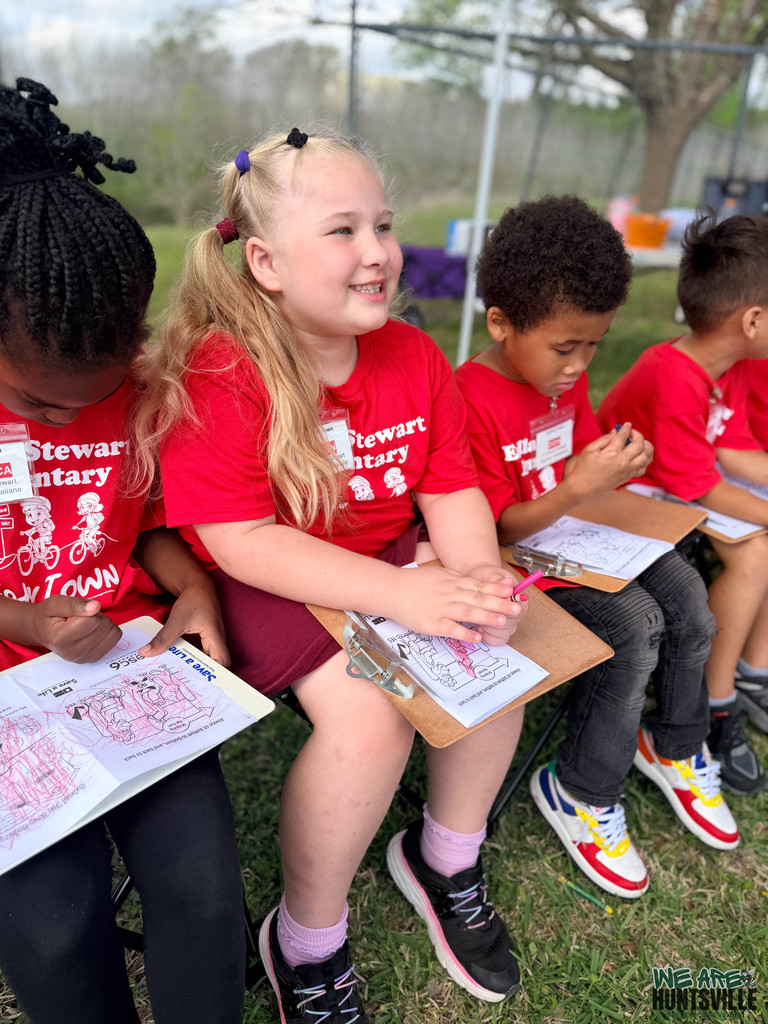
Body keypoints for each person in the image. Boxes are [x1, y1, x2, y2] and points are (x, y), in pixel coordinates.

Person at [138, 125, 527, 1021]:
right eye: (343, 231)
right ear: (266, 262)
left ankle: (445, 859)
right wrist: (402, 593)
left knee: (492, 656)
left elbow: (451, 486)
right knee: (369, 720)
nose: (378, 252)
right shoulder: (225, 368)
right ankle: (306, 939)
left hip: (383, 555)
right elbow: (242, 541)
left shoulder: (415, 355)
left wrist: (473, 578)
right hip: (268, 577)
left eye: (383, 226)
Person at [0, 79, 246, 1024]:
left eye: (95, 396)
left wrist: (193, 594)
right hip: (13, 690)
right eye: (40, 404)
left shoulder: (138, 387)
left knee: (204, 892)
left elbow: (144, 522)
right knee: (55, 929)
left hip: (127, 666)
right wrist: (28, 621)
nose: (71, 419)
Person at [455, 195, 739, 901]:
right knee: (637, 624)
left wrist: (611, 464)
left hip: (579, 536)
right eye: (565, 348)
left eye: (594, 346)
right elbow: (494, 530)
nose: (580, 366)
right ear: (501, 322)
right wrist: (577, 486)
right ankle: (580, 788)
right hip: (517, 563)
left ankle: (674, 744)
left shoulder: (562, 381)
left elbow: (581, 457)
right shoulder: (468, 398)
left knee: (688, 594)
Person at [599, 211, 768, 796]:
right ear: (752, 321)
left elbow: (732, 450)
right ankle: (717, 706)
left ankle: (750, 673)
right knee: (756, 552)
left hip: (677, 486)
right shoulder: (672, 373)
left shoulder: (731, 364)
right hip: (622, 498)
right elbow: (700, 486)